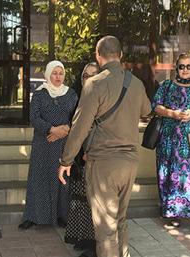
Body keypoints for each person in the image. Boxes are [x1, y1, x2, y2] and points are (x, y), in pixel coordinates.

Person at [58, 35, 151, 257]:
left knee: (105, 230)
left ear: (98, 56)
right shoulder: (136, 83)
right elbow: (147, 111)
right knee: (120, 221)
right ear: (120, 55)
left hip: (103, 163)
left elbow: (79, 127)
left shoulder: (94, 84)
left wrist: (66, 160)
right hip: (129, 162)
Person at [151, 53, 190, 229]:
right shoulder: (166, 86)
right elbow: (155, 106)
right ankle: (172, 213)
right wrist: (173, 113)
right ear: (176, 68)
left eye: (189, 66)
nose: (185, 70)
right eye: (181, 66)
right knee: (169, 173)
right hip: (169, 139)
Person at [18, 60, 78, 229]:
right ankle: (33, 216)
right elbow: (34, 118)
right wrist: (52, 129)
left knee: (62, 180)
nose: (58, 76)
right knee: (39, 179)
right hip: (43, 143)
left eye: (61, 73)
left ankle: (62, 216)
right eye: (54, 73)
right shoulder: (40, 94)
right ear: (48, 74)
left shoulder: (71, 94)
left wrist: (64, 130)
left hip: (63, 143)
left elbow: (78, 118)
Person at [64, 63, 99, 256]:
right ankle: (85, 237)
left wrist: (91, 150)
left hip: (94, 157)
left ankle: (96, 243)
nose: (88, 78)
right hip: (79, 157)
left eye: (93, 75)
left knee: (95, 201)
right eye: (85, 75)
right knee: (81, 200)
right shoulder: (78, 98)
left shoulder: (102, 98)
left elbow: (100, 128)